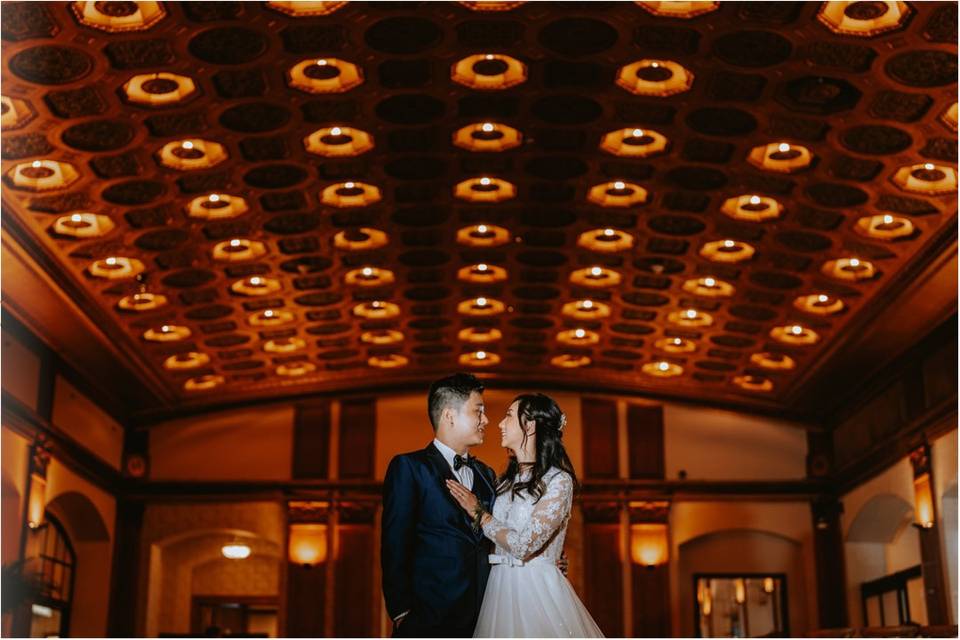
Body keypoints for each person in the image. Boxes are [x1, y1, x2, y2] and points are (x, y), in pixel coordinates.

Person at [446, 393, 604, 638]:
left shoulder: (558, 480)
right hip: (498, 587)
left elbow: (524, 544)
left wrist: (479, 512)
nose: (499, 423)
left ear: (529, 425)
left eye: (508, 416)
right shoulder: (503, 482)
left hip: (535, 591)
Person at [381, 373, 498, 637]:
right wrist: (401, 612)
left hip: (485, 619)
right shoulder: (409, 467)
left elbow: (498, 534)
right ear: (449, 416)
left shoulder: (486, 474)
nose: (486, 420)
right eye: (478, 411)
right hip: (428, 620)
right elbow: (395, 544)